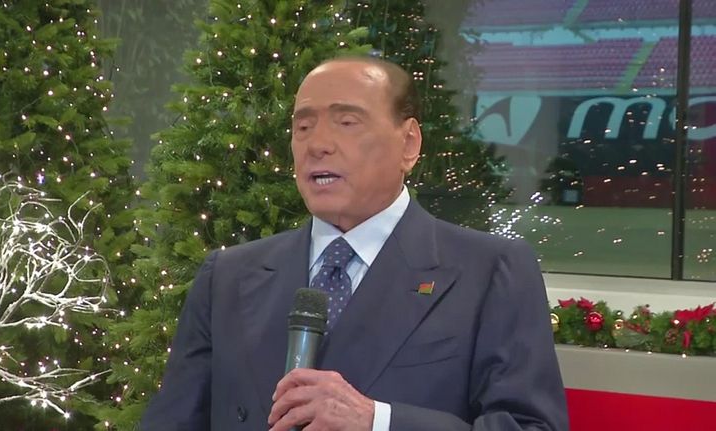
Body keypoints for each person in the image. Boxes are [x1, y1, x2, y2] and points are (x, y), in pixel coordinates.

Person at [141, 57, 569, 431]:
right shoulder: (228, 275)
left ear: (409, 144)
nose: (318, 145)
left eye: (347, 122)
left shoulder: (490, 271)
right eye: (303, 126)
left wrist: (377, 421)